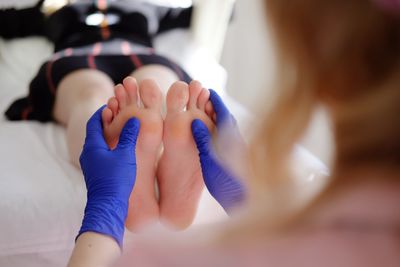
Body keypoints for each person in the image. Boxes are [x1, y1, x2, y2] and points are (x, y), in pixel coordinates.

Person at [68, 0, 400, 266]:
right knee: (121, 92)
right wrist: (247, 202)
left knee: (101, 101)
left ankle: (132, 174)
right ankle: (153, 152)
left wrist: (104, 207)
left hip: (116, 56)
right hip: (74, 59)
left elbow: (185, 15)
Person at [1, 0, 214, 231]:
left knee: (157, 93)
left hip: (142, 56)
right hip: (77, 59)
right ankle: (131, 168)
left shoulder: (149, 6)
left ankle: (155, 161)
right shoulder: (51, 5)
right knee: (91, 98)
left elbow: (216, 13)